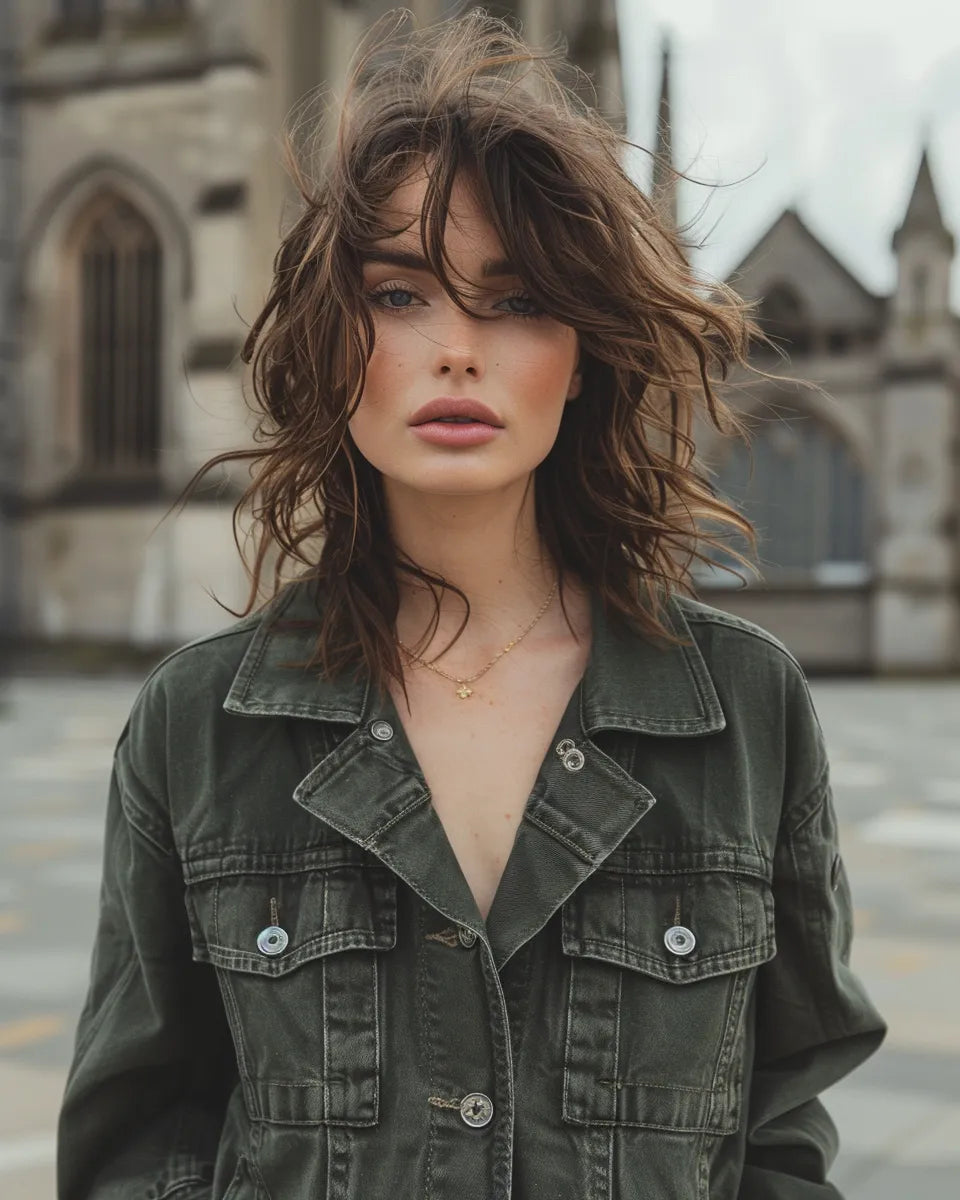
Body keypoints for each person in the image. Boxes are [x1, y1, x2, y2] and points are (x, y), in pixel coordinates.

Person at [56, 9, 885, 1199]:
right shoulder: (197, 728)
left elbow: (779, 1131)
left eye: (512, 300)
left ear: (584, 350)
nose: (455, 350)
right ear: (332, 340)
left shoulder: (746, 709)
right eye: (399, 297)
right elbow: (133, 1150)